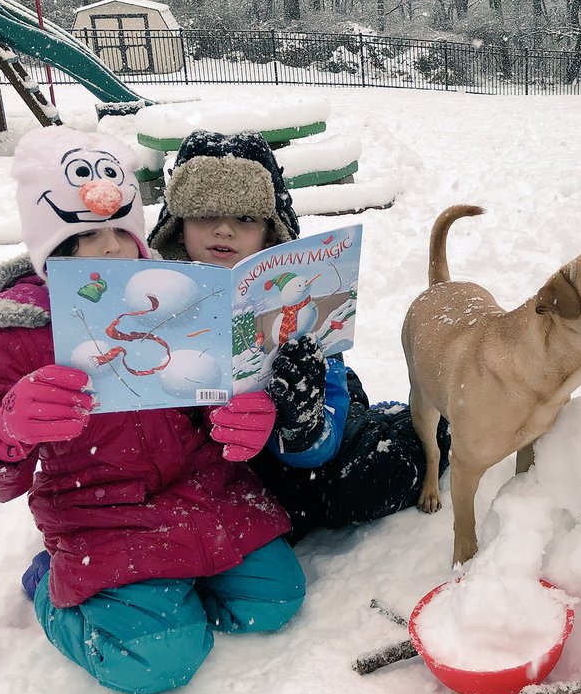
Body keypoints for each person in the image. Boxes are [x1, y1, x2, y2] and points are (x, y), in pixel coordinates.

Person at [0, 127, 304, 694]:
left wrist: (249, 415)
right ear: (50, 246)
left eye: (123, 228)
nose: (113, 248)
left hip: (200, 489)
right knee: (155, 660)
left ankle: (167, 586)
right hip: (99, 511)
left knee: (276, 599)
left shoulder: (175, 295)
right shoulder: (20, 331)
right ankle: (50, 587)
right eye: (87, 234)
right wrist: (6, 431)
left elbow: (211, 400)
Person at [148, 129, 449, 542]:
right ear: (177, 225)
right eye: (204, 215)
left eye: (245, 218)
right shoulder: (147, 294)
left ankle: (419, 425)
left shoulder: (295, 291)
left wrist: (304, 427)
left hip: (296, 433)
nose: (223, 230)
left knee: (361, 483)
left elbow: (320, 436)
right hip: (198, 468)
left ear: (271, 233)